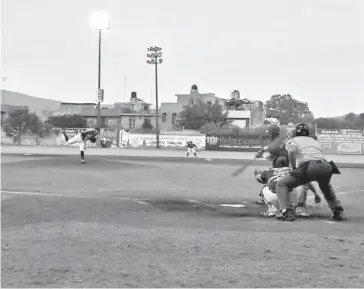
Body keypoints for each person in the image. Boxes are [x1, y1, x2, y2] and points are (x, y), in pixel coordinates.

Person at [275, 123, 345, 221]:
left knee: (281, 184)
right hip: (326, 166)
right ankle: (337, 211)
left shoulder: (293, 140)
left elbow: (291, 151)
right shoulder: (314, 141)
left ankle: (287, 211)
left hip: (309, 166)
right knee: (326, 187)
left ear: (295, 132)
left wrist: (294, 168)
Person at [255, 123, 322, 213]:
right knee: (300, 180)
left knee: (270, 179)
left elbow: (270, 157)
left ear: (271, 133)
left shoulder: (274, 146)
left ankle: (269, 203)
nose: (269, 134)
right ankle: (299, 206)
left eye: (269, 132)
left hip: (282, 163)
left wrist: (261, 155)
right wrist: (316, 194)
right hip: (289, 164)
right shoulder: (283, 137)